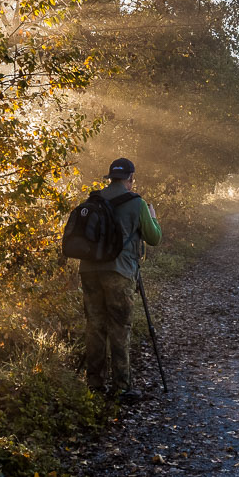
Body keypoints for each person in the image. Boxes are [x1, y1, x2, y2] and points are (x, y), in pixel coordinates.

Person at [80, 157, 161, 401]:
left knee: (95, 327)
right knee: (119, 328)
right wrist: (153, 217)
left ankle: (94, 384)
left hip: (89, 271)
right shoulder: (137, 204)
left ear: (110, 178)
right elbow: (154, 238)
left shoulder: (93, 200)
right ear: (130, 179)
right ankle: (122, 386)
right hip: (120, 272)